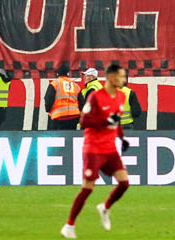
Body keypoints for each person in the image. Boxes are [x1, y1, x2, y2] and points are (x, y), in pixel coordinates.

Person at [61, 62, 132, 239]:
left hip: (109, 148)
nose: (124, 80)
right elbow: (84, 121)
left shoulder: (121, 97)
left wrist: (121, 138)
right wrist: (104, 122)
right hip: (93, 148)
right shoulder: (95, 97)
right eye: (121, 76)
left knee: (124, 183)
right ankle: (69, 225)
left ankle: (105, 207)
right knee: (88, 188)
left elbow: (115, 120)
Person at [45, 65, 84, 130]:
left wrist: (48, 109)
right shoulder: (75, 85)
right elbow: (81, 102)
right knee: (70, 137)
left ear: (58, 74)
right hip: (73, 117)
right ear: (67, 74)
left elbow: (48, 99)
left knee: (57, 138)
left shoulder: (55, 84)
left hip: (58, 117)